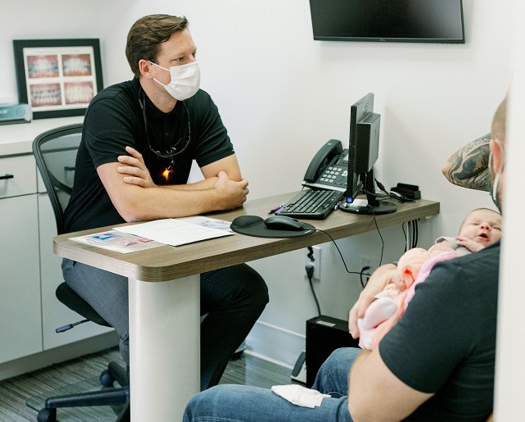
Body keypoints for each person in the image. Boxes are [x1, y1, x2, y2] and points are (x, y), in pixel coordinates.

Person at [183, 95, 507, 421]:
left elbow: (365, 406)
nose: (483, 228)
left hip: (384, 409)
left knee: (206, 406)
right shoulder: (497, 267)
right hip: (466, 390)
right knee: (338, 360)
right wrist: (391, 271)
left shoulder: (461, 281)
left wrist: (381, 306)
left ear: (496, 156)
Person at [62, 14, 269, 391]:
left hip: (166, 236)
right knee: (147, 317)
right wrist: (203, 192)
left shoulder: (199, 106)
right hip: (96, 247)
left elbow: (232, 190)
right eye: (179, 60)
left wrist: (154, 192)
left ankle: (190, 396)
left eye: (193, 54)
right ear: (147, 67)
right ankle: (152, 409)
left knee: (246, 290)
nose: (192, 66)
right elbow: (132, 208)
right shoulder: (111, 108)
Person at [358, 207, 502, 350]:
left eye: (496, 228)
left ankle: (378, 335)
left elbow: (494, 263)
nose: (485, 227)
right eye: (475, 224)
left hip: (437, 297)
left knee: (405, 308)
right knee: (395, 290)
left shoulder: (498, 262)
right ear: (460, 232)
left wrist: (482, 251)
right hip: (424, 274)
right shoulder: (456, 243)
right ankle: (371, 324)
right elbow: (437, 252)